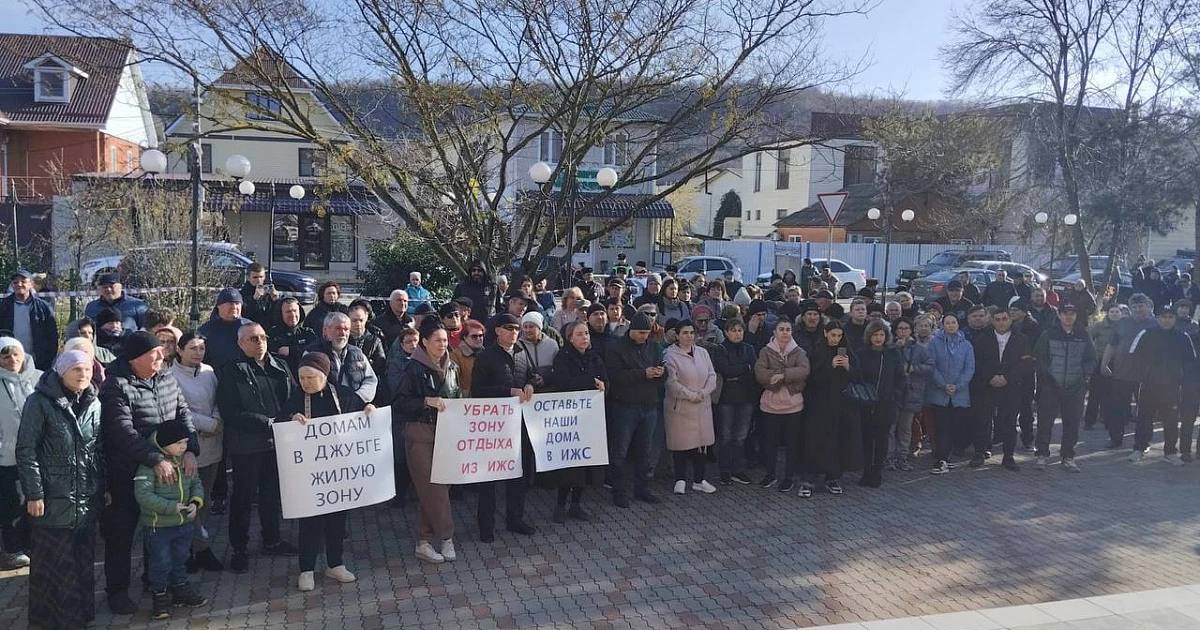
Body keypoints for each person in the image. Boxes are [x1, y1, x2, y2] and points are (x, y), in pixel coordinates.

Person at [15, 350, 102, 630]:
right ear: (61, 371)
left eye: (87, 370)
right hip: (53, 498)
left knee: (82, 562)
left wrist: (102, 487)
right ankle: (58, 621)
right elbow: (26, 450)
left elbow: (97, 450)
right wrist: (35, 493)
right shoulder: (39, 402)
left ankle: (82, 615)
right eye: (76, 369)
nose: (83, 375)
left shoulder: (93, 402)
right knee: (54, 565)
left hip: (85, 500)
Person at [278, 353, 369, 590]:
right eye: (302, 377)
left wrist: (370, 410)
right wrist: (291, 418)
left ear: (325, 375)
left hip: (337, 473)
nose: (306, 382)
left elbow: (361, 415)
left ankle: (335, 563)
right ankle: (306, 569)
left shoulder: (343, 395)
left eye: (311, 377)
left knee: (337, 520)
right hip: (310, 474)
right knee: (310, 522)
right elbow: (278, 423)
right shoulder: (296, 398)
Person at [216, 322, 298, 573]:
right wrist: (267, 423)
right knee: (243, 497)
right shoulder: (232, 371)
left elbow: (294, 396)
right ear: (241, 343)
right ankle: (239, 548)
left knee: (271, 494)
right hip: (247, 445)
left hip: (277, 444)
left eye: (263, 337)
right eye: (253, 338)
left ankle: (272, 540)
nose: (260, 342)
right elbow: (230, 411)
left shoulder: (280, 366)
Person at [394, 319, 461, 563]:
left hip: (447, 432)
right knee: (434, 488)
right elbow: (399, 403)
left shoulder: (452, 366)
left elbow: (457, 396)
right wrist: (425, 401)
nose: (442, 344)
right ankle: (447, 537)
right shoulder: (413, 368)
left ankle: (423, 542)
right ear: (424, 342)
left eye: (445, 340)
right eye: (437, 340)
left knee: (436, 488)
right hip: (419, 433)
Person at [133, 418, 208, 619]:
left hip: (183, 524)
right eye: (179, 443)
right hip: (159, 527)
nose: (184, 447)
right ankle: (159, 596)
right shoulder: (150, 466)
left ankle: (180, 589)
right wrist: (170, 507)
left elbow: (196, 483)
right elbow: (143, 495)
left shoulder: (185, 461)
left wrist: (195, 502)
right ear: (163, 444)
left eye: (185, 442)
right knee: (160, 562)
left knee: (180, 559)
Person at [471, 314, 536, 540]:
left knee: (519, 475)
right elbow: (477, 392)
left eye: (517, 328)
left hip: (518, 425)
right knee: (489, 479)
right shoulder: (486, 357)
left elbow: (534, 375)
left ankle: (515, 519)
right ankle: (486, 527)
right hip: (493, 427)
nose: (514, 332)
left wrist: (530, 383)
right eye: (509, 328)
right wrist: (506, 392)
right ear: (497, 331)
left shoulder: (521, 352)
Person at [170, 332, 224, 573]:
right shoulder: (170, 375)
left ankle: (198, 545)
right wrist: (207, 424)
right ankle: (195, 549)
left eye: (201, 348)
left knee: (204, 499)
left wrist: (217, 420)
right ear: (180, 350)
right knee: (188, 500)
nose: (198, 352)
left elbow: (219, 400)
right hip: (188, 448)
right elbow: (178, 410)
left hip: (213, 445)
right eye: (192, 348)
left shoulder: (209, 372)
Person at [544, 321, 607, 521]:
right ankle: (560, 506)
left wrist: (603, 386)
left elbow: (605, 380)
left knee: (586, 463)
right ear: (570, 338)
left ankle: (576, 505)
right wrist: (589, 382)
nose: (585, 337)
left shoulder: (594, 356)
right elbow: (564, 383)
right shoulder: (563, 357)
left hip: (590, 418)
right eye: (579, 334)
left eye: (587, 333)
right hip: (569, 420)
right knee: (569, 466)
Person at [604, 313, 664, 507]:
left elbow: (663, 370)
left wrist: (662, 373)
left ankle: (642, 488)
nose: (643, 337)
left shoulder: (654, 347)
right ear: (631, 330)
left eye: (646, 333)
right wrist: (642, 374)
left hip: (649, 405)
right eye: (639, 333)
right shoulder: (615, 348)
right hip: (624, 407)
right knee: (620, 451)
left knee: (644, 451)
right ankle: (619, 491)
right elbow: (615, 376)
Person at [799, 322, 861, 497]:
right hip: (818, 405)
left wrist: (848, 367)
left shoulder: (846, 350)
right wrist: (829, 367)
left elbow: (858, 376)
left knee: (837, 441)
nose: (836, 339)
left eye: (839, 335)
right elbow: (811, 379)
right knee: (814, 440)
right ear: (826, 333)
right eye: (833, 335)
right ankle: (808, 479)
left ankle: (832, 477)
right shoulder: (817, 351)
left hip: (839, 404)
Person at [1033, 304, 1097, 472]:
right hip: (1051, 386)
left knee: (1072, 423)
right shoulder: (1049, 334)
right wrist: (1047, 377)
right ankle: (1041, 454)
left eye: (1072, 314)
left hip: (1075, 387)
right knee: (1045, 422)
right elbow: (1040, 358)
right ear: (1059, 315)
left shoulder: (1083, 335)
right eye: (1065, 313)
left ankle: (1068, 456)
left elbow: (1091, 359)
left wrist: (1084, 375)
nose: (1069, 317)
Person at [1128, 306, 1195, 464]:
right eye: (1163, 317)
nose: (1166, 320)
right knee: (1144, 418)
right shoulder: (1146, 334)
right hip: (1148, 386)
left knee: (1171, 420)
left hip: (1172, 387)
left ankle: (1170, 452)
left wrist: (1182, 381)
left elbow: (1190, 362)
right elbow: (1133, 356)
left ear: (1175, 319)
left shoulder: (1183, 337)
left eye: (1170, 317)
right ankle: (1139, 448)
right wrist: (1142, 376)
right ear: (1157, 318)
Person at [753, 319, 811, 492]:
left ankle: (789, 477)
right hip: (770, 405)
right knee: (769, 443)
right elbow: (760, 373)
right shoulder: (765, 351)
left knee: (792, 443)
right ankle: (770, 474)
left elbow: (804, 370)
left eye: (788, 329)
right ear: (775, 332)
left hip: (793, 406)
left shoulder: (799, 351)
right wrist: (777, 378)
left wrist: (784, 375)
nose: (785, 332)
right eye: (781, 329)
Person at [971, 308, 1031, 471]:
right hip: (987, 385)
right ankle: (979, 453)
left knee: (1009, 422)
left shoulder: (1021, 339)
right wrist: (991, 377)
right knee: (983, 421)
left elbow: (1024, 364)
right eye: (997, 319)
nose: (1001, 322)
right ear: (992, 321)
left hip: (1011, 386)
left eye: (1004, 319)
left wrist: (1007, 378)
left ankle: (1008, 456)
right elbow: (977, 362)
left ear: (1010, 320)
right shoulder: (983, 339)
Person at [663, 320, 718, 495]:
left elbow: (712, 375)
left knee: (701, 444)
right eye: (685, 333)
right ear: (677, 335)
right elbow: (672, 382)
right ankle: (680, 479)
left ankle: (699, 479)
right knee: (681, 444)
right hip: (681, 406)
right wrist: (690, 395)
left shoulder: (703, 353)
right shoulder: (669, 355)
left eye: (692, 333)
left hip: (702, 404)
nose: (689, 336)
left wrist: (703, 393)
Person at [852, 320, 906, 487]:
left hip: (886, 403)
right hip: (866, 403)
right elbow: (856, 376)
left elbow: (900, 378)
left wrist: (895, 396)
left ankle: (877, 472)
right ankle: (867, 471)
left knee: (882, 439)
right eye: (875, 335)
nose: (878, 338)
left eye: (881, 334)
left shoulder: (893, 354)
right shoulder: (861, 353)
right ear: (869, 336)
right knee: (867, 439)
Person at [0, 337, 37, 570]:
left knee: (33, 502)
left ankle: (30, 544)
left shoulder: (38, 378)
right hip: (7, 457)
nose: (12, 360)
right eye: (5, 356)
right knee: (13, 503)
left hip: (35, 456)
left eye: (16, 354)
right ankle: (13, 549)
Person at [1100, 294, 1156, 449]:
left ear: (1148, 306)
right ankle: (1115, 439)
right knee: (1117, 409)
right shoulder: (1122, 323)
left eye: (1141, 306)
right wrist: (1104, 364)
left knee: (1145, 410)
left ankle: (1143, 442)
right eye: (1135, 307)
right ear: (1130, 308)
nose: (1138, 309)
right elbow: (1111, 345)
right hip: (1121, 373)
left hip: (1146, 376)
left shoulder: (1156, 324)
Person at [927, 313, 975, 475]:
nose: (951, 325)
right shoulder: (934, 343)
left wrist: (958, 385)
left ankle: (948, 457)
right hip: (940, 393)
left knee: (956, 427)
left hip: (959, 393)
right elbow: (932, 366)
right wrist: (943, 384)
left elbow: (969, 368)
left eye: (953, 322)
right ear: (943, 325)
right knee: (942, 427)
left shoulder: (966, 345)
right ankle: (941, 459)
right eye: (947, 323)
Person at [712, 319, 758, 485]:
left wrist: (739, 371)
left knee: (741, 436)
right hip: (726, 398)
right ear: (726, 332)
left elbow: (754, 370)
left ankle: (738, 469)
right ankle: (724, 469)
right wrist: (744, 368)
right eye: (733, 330)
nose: (737, 333)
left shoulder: (749, 349)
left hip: (746, 397)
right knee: (725, 436)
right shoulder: (720, 349)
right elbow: (725, 370)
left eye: (740, 330)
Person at [305, 312, 379, 406]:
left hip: (353, 412)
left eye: (346, 329)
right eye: (338, 328)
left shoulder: (358, 353)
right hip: (325, 411)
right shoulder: (311, 353)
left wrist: (359, 398)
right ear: (325, 330)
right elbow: (307, 384)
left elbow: (370, 379)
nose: (343, 333)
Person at [891, 318, 934, 472]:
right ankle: (889, 457)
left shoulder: (920, 349)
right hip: (893, 394)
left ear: (911, 330)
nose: (903, 331)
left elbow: (930, 366)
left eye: (906, 328)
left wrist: (914, 368)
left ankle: (902, 457)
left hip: (911, 392)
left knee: (906, 428)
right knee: (891, 427)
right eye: (900, 328)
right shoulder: (890, 347)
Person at [0, 269, 58, 370]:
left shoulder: (44, 307)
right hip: (9, 362)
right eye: (15, 282)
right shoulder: (3, 306)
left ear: (31, 284)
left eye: (23, 281)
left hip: (38, 363)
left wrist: (48, 359)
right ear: (12, 285)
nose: (19, 284)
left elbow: (52, 337)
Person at [1084, 303, 1123, 430]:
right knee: (1095, 393)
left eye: (1117, 312)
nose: (1114, 314)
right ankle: (1089, 421)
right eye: (1112, 312)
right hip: (1099, 361)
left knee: (1112, 394)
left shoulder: (1124, 327)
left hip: (1118, 362)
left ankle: (1108, 420)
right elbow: (1088, 337)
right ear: (1108, 313)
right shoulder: (1100, 326)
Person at [198, 288, 252, 370]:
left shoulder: (251, 328)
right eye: (230, 303)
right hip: (215, 377)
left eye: (237, 303)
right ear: (219, 306)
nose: (234, 307)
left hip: (245, 378)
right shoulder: (206, 330)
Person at [269, 297, 318, 374]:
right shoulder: (272, 334)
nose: (292, 315)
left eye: (295, 311)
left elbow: (315, 352)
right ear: (280, 314)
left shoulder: (308, 333)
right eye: (288, 311)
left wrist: (292, 350)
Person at [517, 311, 559, 388]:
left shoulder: (552, 344)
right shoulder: (517, 345)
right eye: (525, 327)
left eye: (531, 327)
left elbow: (558, 369)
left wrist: (545, 379)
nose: (527, 330)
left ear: (539, 328)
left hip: (549, 389)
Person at [348, 301, 388, 379]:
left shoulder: (375, 340)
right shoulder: (342, 338)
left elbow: (381, 363)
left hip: (369, 379)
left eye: (361, 320)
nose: (358, 324)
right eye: (354, 320)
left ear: (366, 319)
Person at [239, 262, 277, 327]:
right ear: (248, 278)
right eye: (255, 277)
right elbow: (244, 315)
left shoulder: (267, 292)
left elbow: (275, 315)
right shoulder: (242, 294)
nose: (259, 280)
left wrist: (275, 300)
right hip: (250, 328)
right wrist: (254, 299)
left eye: (261, 277)